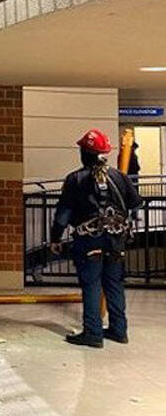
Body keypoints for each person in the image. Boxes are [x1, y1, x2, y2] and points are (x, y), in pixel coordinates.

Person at [50, 129, 142, 348]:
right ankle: (119, 330)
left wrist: (55, 238)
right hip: (116, 240)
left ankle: (93, 333)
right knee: (114, 284)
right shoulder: (119, 176)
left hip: (89, 241)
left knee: (91, 285)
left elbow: (63, 214)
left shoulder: (76, 179)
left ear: (84, 153)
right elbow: (135, 203)